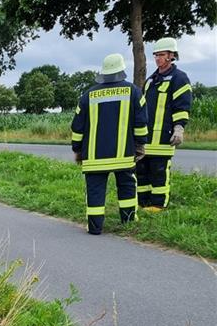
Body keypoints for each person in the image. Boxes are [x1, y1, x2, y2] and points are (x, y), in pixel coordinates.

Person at [70, 53, 148, 235]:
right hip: (124, 156)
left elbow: (77, 127)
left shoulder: (87, 95)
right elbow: (141, 124)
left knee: (95, 191)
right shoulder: (134, 92)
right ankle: (128, 223)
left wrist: (77, 150)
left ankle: (95, 227)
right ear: (121, 70)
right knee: (127, 187)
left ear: (103, 73)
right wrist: (140, 145)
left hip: (94, 158)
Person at [136, 37, 192, 211]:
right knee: (142, 172)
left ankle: (158, 205)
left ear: (171, 56)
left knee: (159, 172)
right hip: (147, 138)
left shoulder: (179, 78)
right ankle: (143, 202)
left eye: (161, 55)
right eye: (156, 55)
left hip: (163, 138)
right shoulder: (151, 81)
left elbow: (182, 106)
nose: (158, 58)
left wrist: (179, 127)